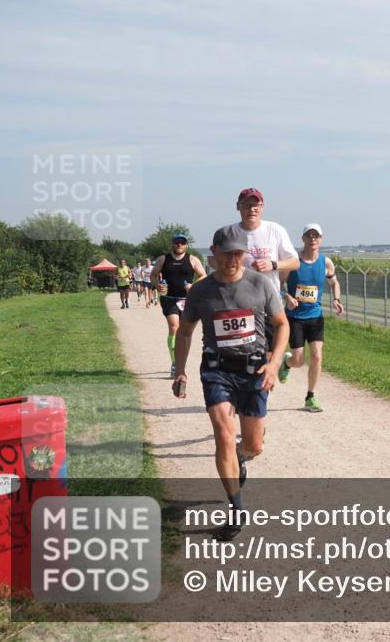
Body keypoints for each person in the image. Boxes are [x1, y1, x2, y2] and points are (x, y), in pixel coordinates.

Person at [172, 224, 288, 541]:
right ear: (214, 255)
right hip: (217, 370)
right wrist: (179, 370)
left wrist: (274, 364)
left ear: (244, 254)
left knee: (254, 445)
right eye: (226, 254)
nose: (232, 260)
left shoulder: (260, 285)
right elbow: (184, 331)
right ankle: (236, 509)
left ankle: (241, 457)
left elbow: (282, 325)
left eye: (238, 253)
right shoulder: (200, 291)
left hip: (253, 372)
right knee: (223, 434)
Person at [231, 188, 299, 377]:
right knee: (242, 354)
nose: (252, 209)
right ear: (238, 207)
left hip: (268, 301)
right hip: (239, 302)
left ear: (262, 207)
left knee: (266, 358)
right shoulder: (231, 232)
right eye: (247, 205)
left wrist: (273, 264)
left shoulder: (275, 230)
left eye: (256, 205)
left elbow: (294, 262)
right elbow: (215, 260)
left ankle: (260, 398)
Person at [281, 223, 343, 412]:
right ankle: (286, 362)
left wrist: (336, 299)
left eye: (316, 236)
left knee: (317, 356)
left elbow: (334, 282)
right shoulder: (293, 262)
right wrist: (287, 296)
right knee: (298, 361)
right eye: (309, 235)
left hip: (315, 316)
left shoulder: (326, 262)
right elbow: (277, 284)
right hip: (295, 317)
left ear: (321, 239)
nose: (313, 239)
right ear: (303, 238)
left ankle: (310, 397)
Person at [151, 233, 206, 378]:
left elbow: (203, 276)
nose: (179, 245)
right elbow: (153, 275)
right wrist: (158, 286)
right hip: (169, 298)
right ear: (172, 244)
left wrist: (193, 286)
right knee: (174, 327)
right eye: (177, 242)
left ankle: (181, 361)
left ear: (186, 245)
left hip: (187, 300)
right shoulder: (163, 259)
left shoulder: (193, 260)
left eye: (182, 243)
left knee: (185, 331)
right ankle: (175, 363)